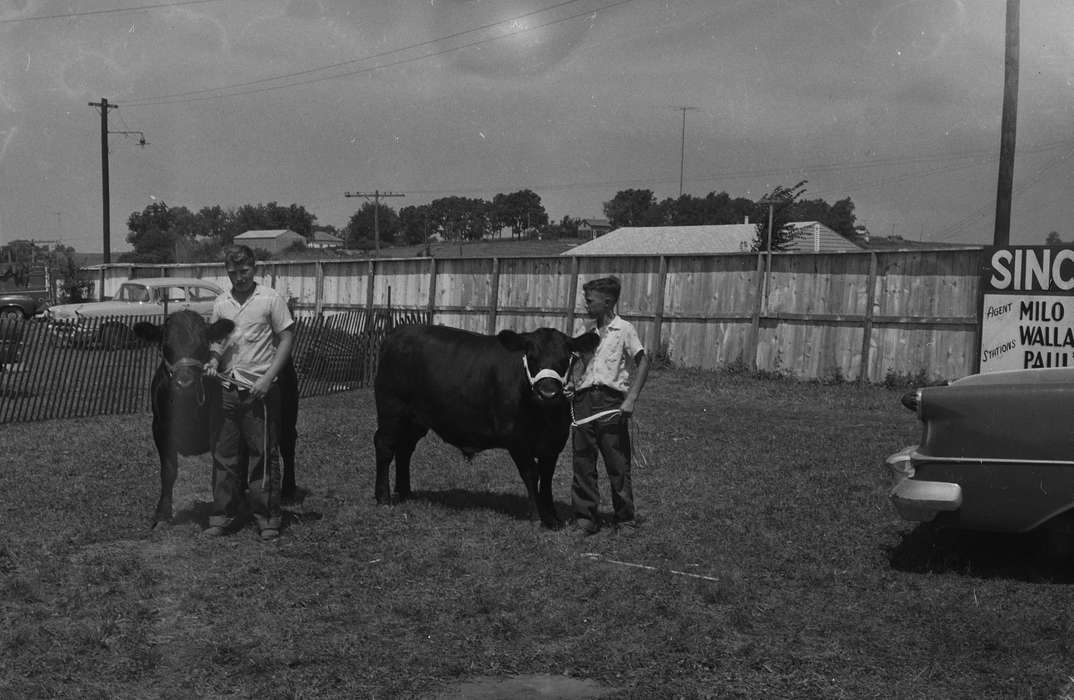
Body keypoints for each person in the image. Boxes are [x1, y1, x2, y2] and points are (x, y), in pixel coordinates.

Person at [203, 245, 295, 540]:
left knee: (262, 454)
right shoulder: (221, 303)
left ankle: (267, 518)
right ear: (227, 272)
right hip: (226, 390)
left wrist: (268, 379)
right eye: (233, 273)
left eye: (244, 271)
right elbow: (218, 341)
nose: (239, 278)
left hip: (259, 391)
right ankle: (223, 515)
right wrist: (213, 361)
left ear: (255, 268)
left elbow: (286, 338)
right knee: (224, 455)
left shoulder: (270, 299)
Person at [569, 276, 651, 537]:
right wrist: (571, 382)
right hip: (583, 402)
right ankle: (585, 519)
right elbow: (576, 362)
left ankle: (625, 519)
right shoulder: (584, 330)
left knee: (617, 463)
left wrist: (631, 399)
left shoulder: (624, 329)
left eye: (590, 300)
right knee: (583, 463)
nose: (585, 304)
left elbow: (643, 362)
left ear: (607, 302)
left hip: (610, 403)